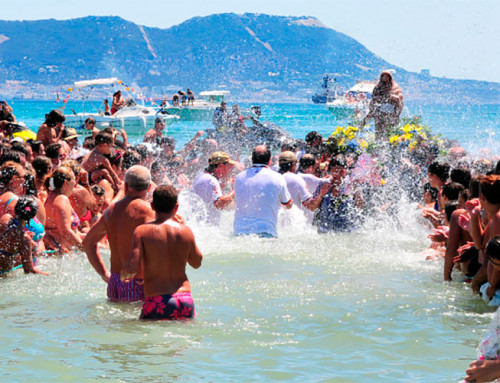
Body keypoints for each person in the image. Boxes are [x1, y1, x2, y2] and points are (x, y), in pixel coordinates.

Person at [121, 184, 203, 320]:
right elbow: (197, 263)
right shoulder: (185, 230)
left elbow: (132, 267)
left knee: (147, 340)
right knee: (181, 340)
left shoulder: (142, 231)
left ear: (152, 206)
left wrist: (124, 276)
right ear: (176, 207)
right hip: (185, 300)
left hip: (158, 300)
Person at [83, 165, 155, 302]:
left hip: (115, 282)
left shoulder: (111, 211)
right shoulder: (148, 211)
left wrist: (104, 274)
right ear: (150, 187)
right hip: (139, 280)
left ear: (126, 187)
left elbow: (88, 243)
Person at [233, 145, 292, 238]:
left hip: (239, 232)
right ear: (269, 160)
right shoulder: (277, 178)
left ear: (252, 159)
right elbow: (288, 204)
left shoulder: (239, 177)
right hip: (266, 231)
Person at [0, 196, 47, 275]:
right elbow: (28, 269)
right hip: (3, 274)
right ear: (33, 216)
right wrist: (48, 275)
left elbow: (10, 234)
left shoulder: (5, 218)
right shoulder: (24, 239)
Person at [192, 151, 236, 225]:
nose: (230, 169)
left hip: (199, 224)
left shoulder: (202, 175)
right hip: (207, 227)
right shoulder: (211, 181)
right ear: (221, 166)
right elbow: (220, 204)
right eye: (228, 165)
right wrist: (235, 189)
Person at [362, 71, 404, 140]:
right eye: (383, 76)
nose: (385, 78)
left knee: (389, 132)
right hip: (379, 111)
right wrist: (377, 100)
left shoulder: (394, 87)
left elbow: (399, 100)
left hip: (391, 112)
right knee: (378, 131)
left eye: (387, 76)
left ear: (390, 77)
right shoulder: (378, 87)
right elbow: (373, 99)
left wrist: (392, 98)